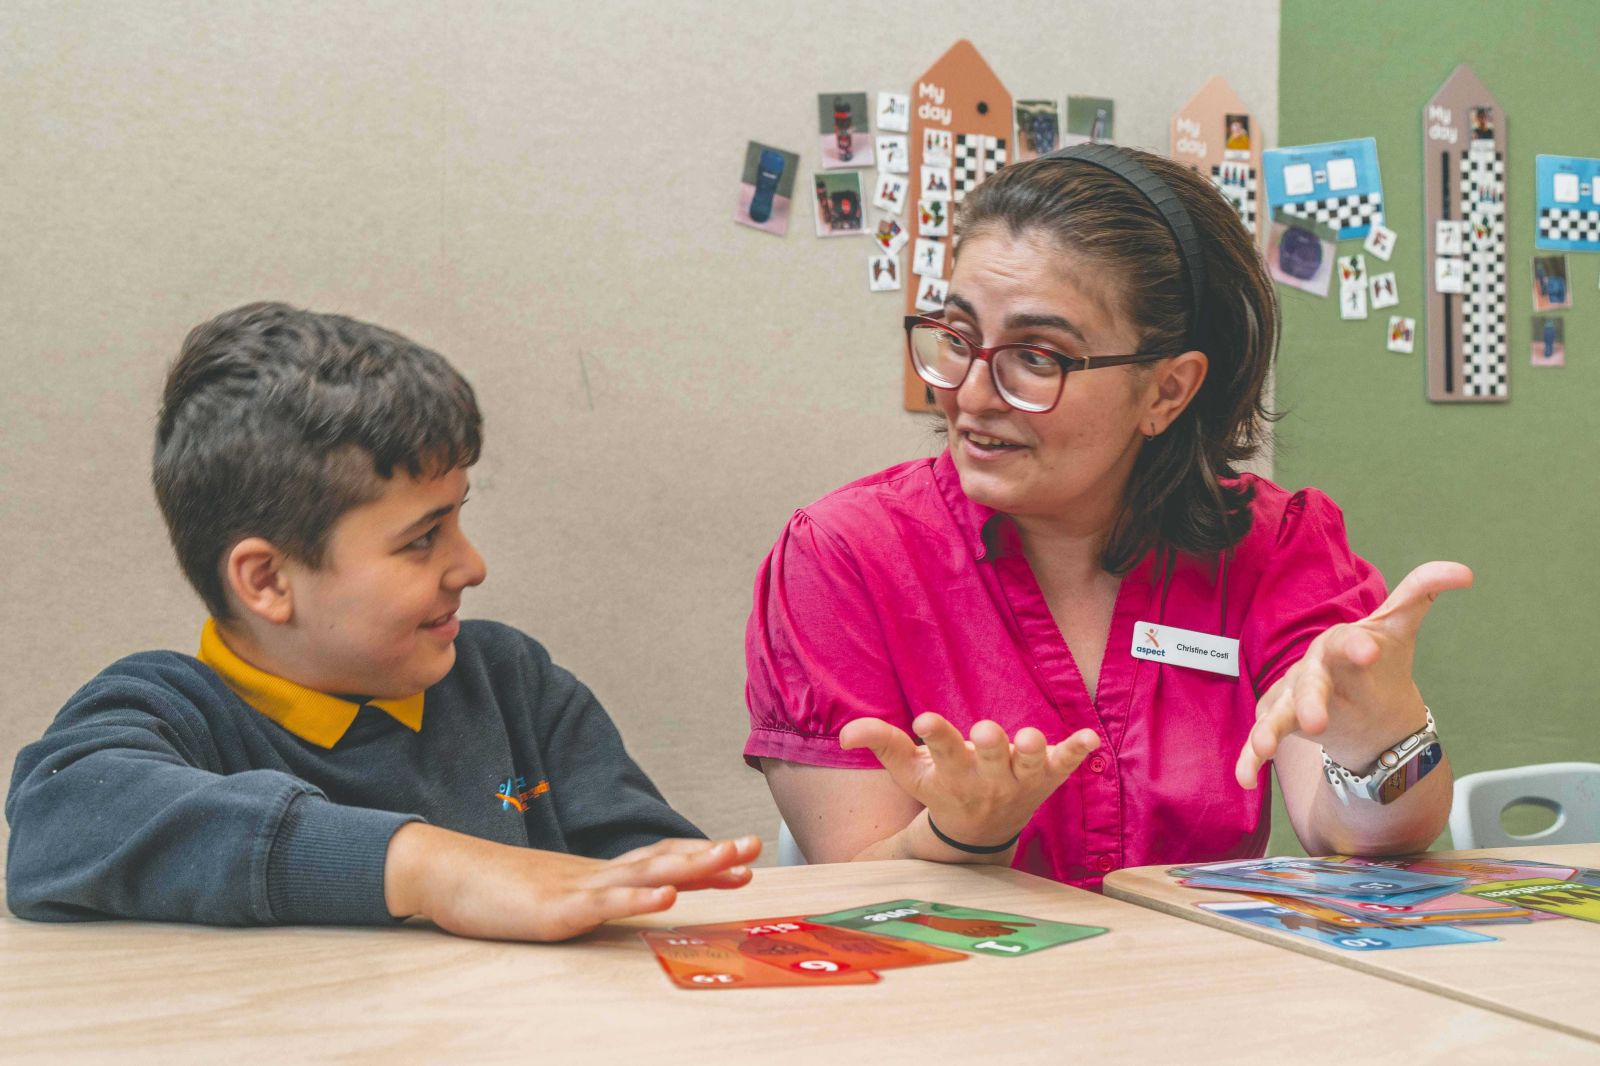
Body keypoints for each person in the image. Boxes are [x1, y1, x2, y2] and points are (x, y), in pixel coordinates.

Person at [744, 145, 1468, 889]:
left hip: (1193, 964)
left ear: (1167, 391)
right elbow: (852, 890)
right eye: (957, 338)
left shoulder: (1271, 547)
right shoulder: (846, 556)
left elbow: (1353, 839)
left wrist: (1381, 735)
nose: (972, 395)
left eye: (1037, 356)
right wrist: (959, 835)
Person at [6, 303, 759, 939]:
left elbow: (652, 876)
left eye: (458, 519)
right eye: (422, 539)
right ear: (268, 581)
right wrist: (429, 868)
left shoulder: (513, 685)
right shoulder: (169, 709)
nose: (471, 566)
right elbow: (57, 826)